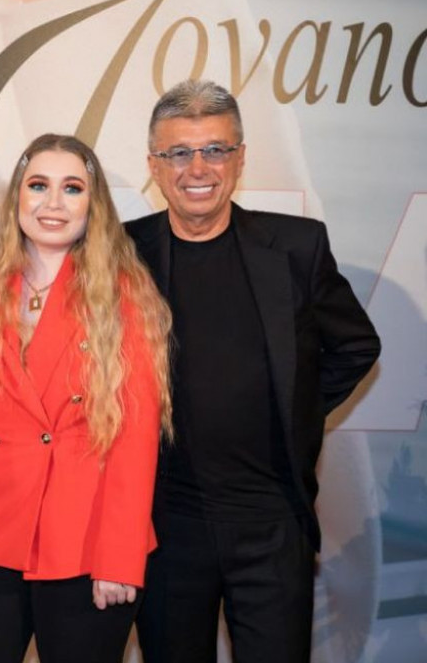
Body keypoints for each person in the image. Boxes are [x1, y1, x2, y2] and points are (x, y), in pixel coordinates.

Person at [127, 78, 381, 663]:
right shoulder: (123, 252)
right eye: (179, 152)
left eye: (215, 149)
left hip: (271, 523)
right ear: (154, 165)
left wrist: (293, 405)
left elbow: (356, 345)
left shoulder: (296, 246)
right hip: (164, 525)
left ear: (240, 158)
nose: (198, 168)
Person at [0, 133, 172, 663]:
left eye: (72, 188)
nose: (53, 203)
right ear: (17, 196)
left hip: (87, 542)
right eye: (38, 185)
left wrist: (120, 557)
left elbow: (136, 435)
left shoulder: (124, 295)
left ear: (93, 205)